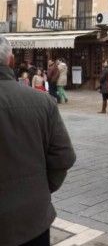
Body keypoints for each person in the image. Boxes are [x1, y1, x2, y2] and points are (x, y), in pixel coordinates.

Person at [0, 36, 76, 246]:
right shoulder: (42, 102)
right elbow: (64, 157)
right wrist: (40, 190)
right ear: (12, 61)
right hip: (32, 221)